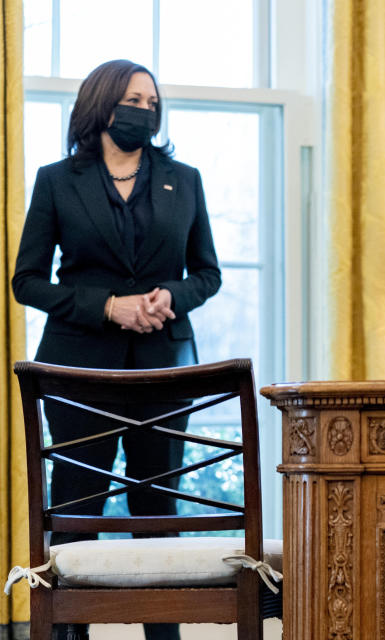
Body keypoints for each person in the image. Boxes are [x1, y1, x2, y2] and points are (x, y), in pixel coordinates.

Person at [12, 59, 221, 640]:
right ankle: (65, 633)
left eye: (152, 104)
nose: (143, 111)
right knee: (78, 510)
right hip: (79, 369)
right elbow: (27, 281)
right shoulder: (57, 180)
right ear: (103, 105)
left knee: (158, 513)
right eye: (133, 100)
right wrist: (107, 306)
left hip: (164, 370)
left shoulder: (186, 178)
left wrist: (168, 297)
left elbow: (208, 275)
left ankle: (163, 634)